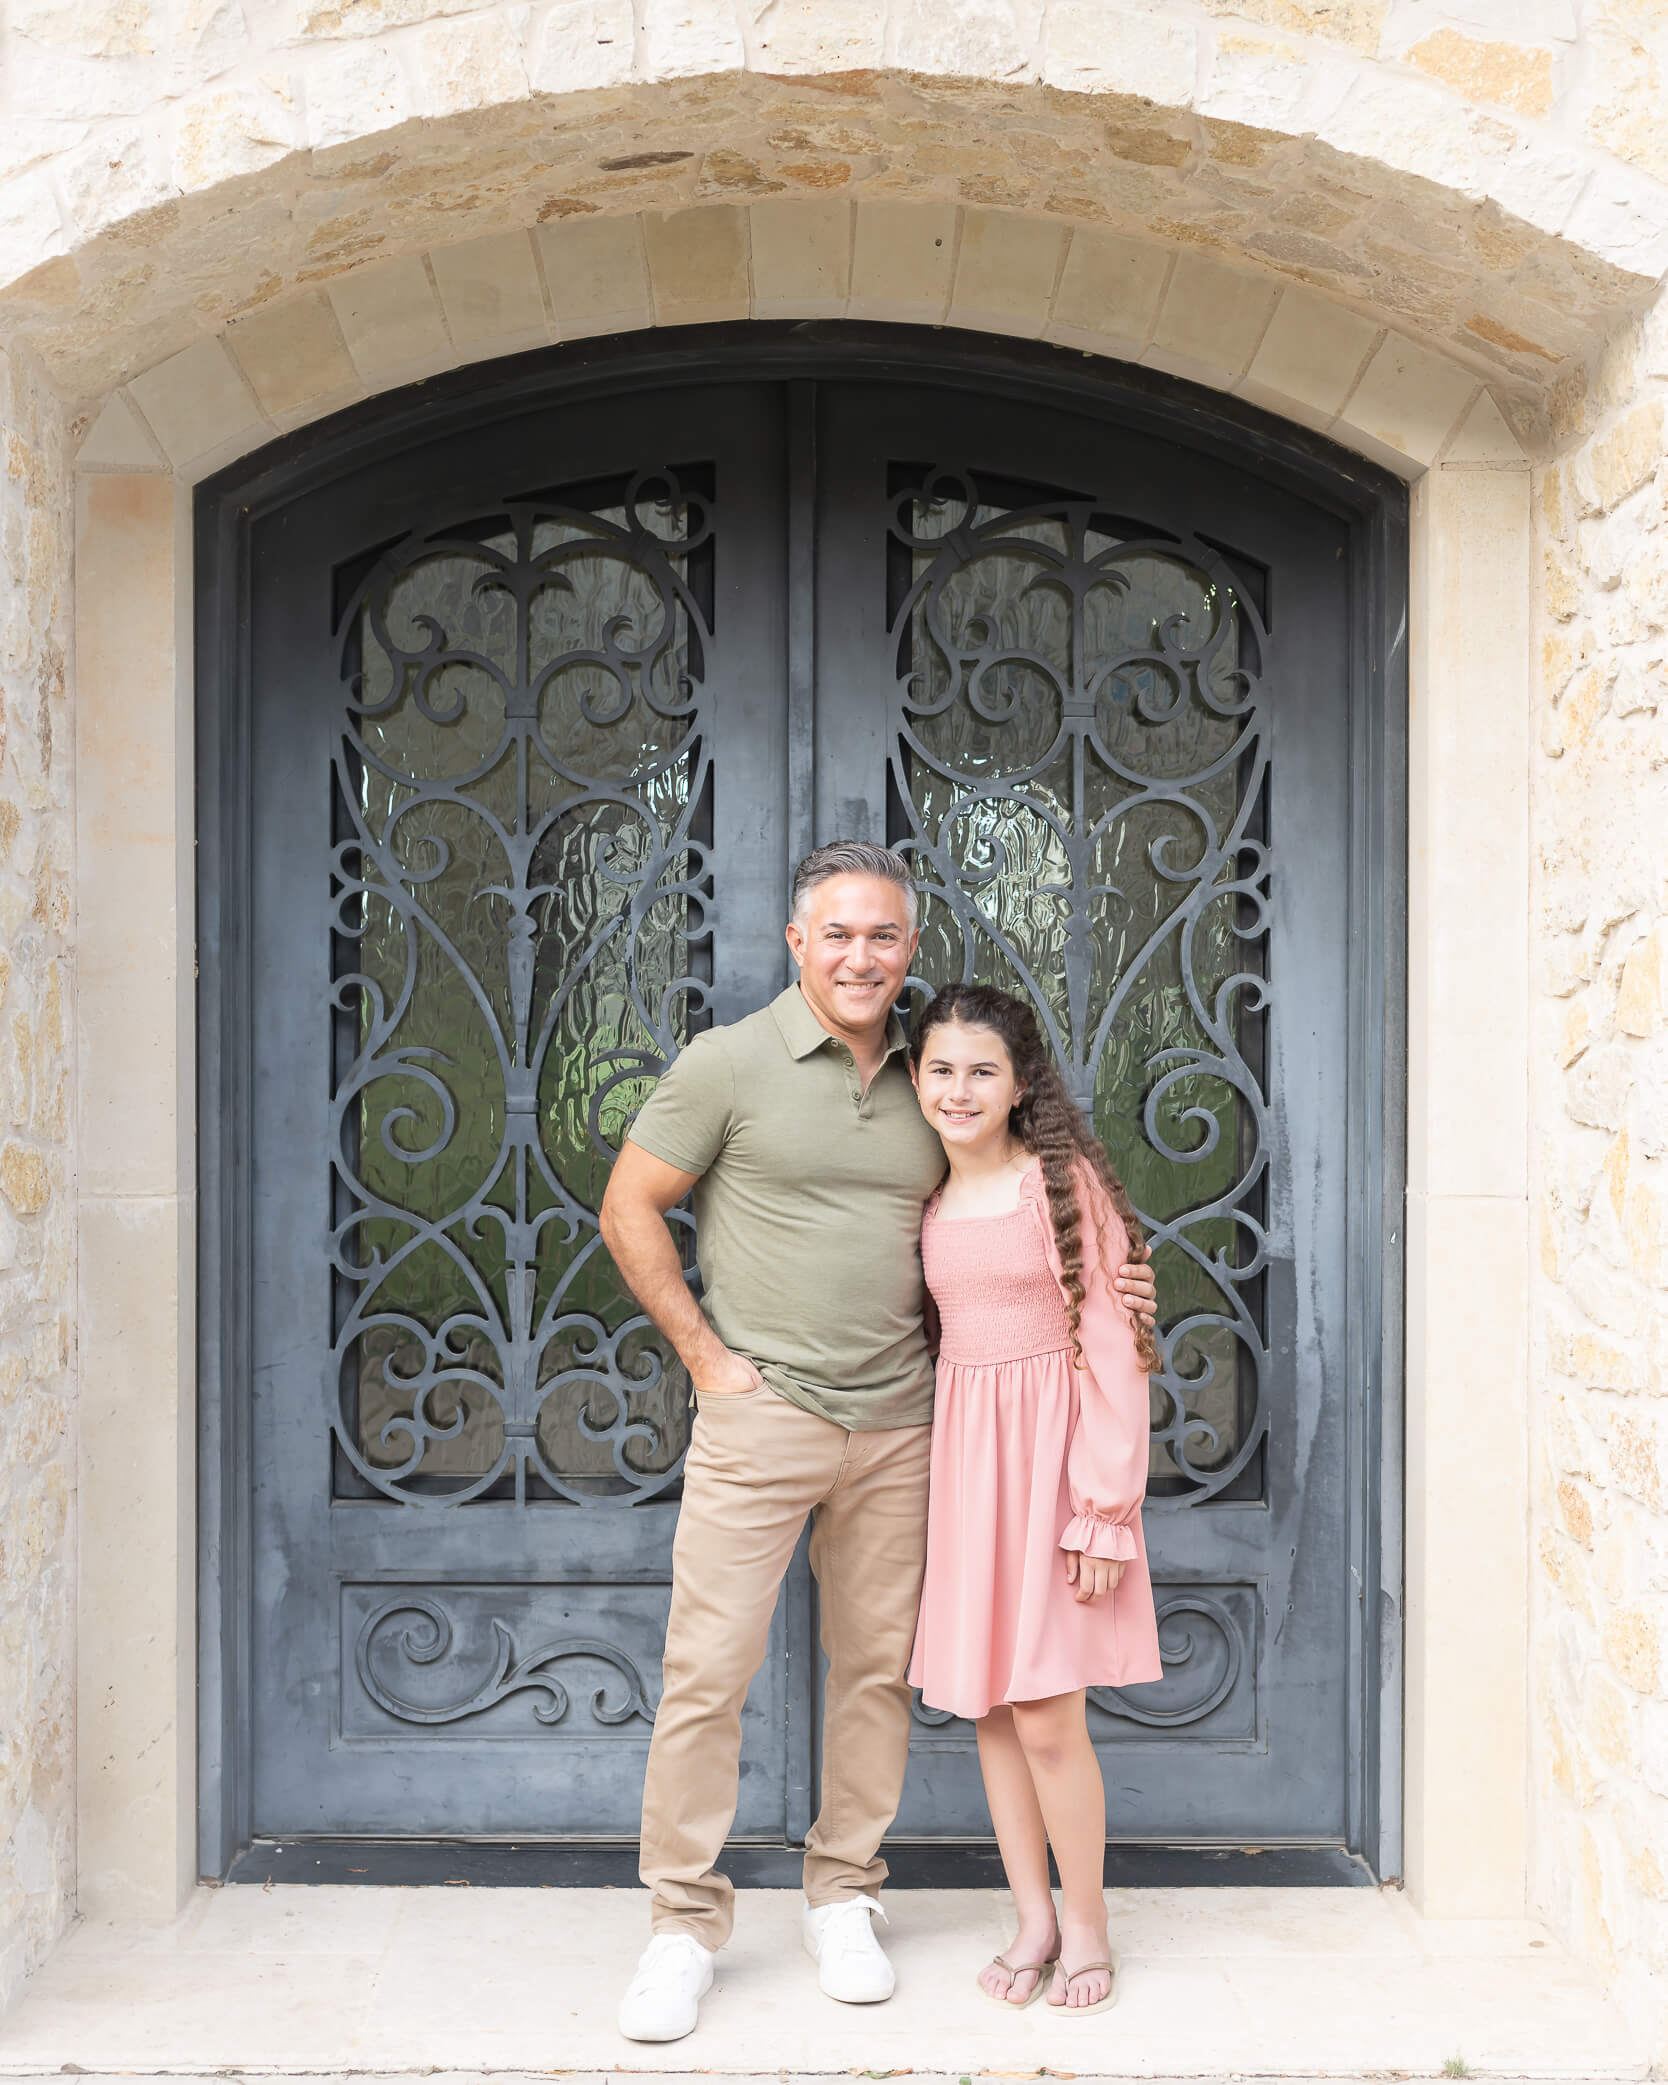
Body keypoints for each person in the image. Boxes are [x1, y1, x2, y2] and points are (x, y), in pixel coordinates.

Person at [599, 842, 1159, 2043]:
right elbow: (627, 1205)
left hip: (914, 1428)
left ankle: (843, 1892)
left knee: (875, 1679)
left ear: (910, 949)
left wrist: (1118, 1287)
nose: (862, 956)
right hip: (767, 1417)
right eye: (837, 934)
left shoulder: (929, 1075)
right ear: (795, 942)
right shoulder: (729, 1064)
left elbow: (1043, 1223)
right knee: (708, 1671)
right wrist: (707, 1361)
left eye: (884, 936)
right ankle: (682, 1927)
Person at [906, 981, 1163, 2016]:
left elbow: (1115, 1344)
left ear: (1020, 1089)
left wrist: (1104, 1508)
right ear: (915, 1077)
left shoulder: (1056, 1185)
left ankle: (1090, 1927)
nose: (958, 1090)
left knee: (1053, 1717)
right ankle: (1033, 1918)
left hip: (1055, 1469)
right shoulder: (925, 1194)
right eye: (940, 1069)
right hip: (971, 1471)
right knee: (995, 1711)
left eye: (982, 1072)